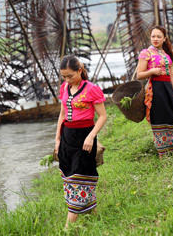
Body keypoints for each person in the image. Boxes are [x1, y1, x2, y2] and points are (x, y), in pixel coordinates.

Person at [55, 55, 107, 227]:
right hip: (67, 136)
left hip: (85, 136)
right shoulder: (64, 88)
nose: (67, 80)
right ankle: (94, 212)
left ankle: (67, 227)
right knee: (70, 176)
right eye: (64, 76)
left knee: (80, 176)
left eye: (70, 76)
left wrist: (91, 136)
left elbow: (102, 116)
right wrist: (57, 139)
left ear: (79, 70)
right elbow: (62, 114)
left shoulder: (91, 89)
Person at [137, 26, 173, 157]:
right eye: (153, 36)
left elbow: (172, 76)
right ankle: (165, 153)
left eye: (159, 36)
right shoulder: (146, 53)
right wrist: (152, 72)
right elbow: (139, 75)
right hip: (156, 90)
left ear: (164, 38)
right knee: (161, 117)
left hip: (168, 89)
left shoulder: (166, 55)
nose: (155, 39)